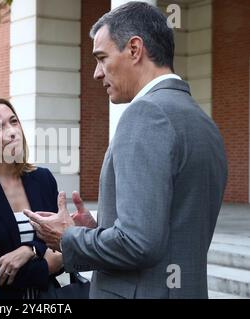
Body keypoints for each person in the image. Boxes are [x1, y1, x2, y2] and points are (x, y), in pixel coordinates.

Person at [25, 2, 227, 299]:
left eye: (102, 58)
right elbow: (165, 229)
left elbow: (138, 244)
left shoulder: (146, 115)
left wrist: (69, 237)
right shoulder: (202, 120)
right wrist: (97, 230)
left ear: (134, 49)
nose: (97, 73)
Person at [0, 98, 64, 299]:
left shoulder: (43, 178)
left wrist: (29, 249)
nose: (13, 131)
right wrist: (45, 264)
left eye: (13, 121)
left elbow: (61, 250)